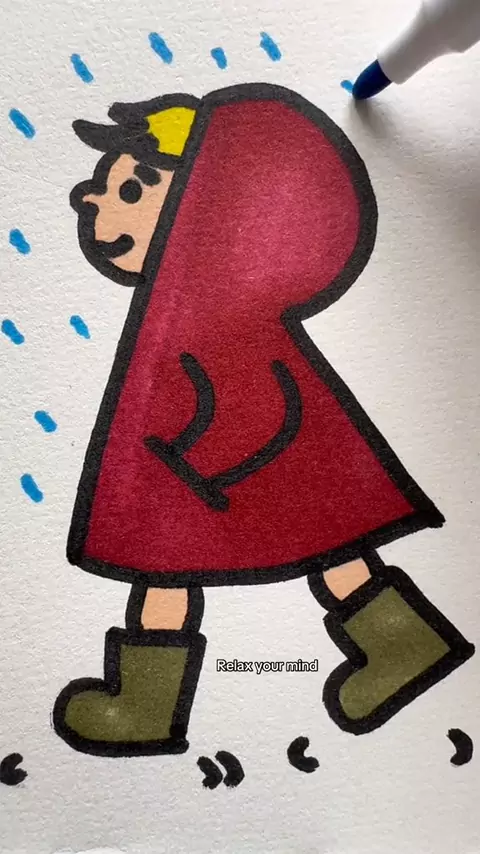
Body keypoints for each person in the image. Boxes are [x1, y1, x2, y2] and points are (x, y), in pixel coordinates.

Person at [53, 83, 473, 757]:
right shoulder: (175, 311)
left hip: (215, 474)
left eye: (130, 189)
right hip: (204, 474)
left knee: (193, 564)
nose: (90, 199)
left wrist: (199, 462)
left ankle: (151, 704)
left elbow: (258, 399)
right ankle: (152, 703)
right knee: (312, 552)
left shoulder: (210, 317)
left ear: (202, 209)